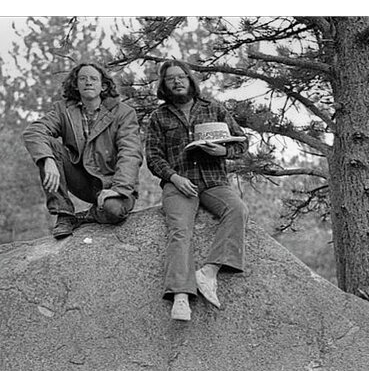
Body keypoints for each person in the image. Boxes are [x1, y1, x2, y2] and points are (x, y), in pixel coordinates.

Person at [145, 60, 249, 321]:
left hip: (214, 180)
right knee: (180, 231)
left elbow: (242, 143)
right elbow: (153, 157)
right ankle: (181, 296)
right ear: (164, 85)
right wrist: (174, 177)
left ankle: (209, 272)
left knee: (238, 209)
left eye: (181, 77)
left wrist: (224, 151)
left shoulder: (213, 108)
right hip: (180, 183)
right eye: (171, 79)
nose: (177, 82)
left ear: (190, 80)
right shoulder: (159, 117)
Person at [23, 63, 143, 238]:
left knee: (114, 211)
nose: (88, 82)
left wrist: (119, 188)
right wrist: (47, 159)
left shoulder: (124, 113)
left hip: (113, 184)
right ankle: (64, 214)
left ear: (103, 86)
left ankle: (86, 216)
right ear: (76, 84)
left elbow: (130, 153)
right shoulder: (64, 110)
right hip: (83, 180)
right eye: (83, 78)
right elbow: (34, 131)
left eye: (93, 78)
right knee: (47, 146)